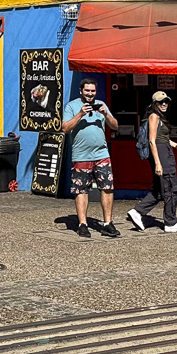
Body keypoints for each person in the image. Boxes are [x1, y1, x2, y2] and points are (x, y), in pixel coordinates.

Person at [62, 79, 120, 238]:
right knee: (81, 190)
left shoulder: (101, 104)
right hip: (81, 156)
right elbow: (65, 128)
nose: (90, 94)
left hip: (102, 155)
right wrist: (80, 114)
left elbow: (115, 126)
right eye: (87, 90)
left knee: (107, 187)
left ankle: (107, 223)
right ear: (81, 91)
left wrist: (105, 114)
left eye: (92, 91)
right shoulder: (72, 106)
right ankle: (83, 224)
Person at [126, 91, 177, 234]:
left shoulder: (159, 117)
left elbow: (163, 138)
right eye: (161, 102)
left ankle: (137, 212)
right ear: (155, 104)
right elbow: (152, 141)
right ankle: (171, 223)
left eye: (166, 101)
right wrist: (158, 163)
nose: (164, 104)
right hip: (161, 156)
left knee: (159, 191)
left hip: (164, 151)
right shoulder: (154, 116)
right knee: (171, 189)